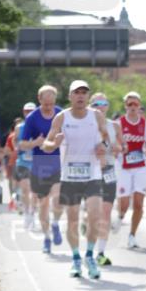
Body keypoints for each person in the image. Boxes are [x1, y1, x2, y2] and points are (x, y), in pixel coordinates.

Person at [42, 80, 108, 279]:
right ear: (70, 96)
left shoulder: (96, 116)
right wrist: (54, 144)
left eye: (83, 93)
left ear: (87, 97)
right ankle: (76, 258)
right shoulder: (61, 117)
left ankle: (89, 255)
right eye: (76, 93)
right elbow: (46, 144)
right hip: (70, 176)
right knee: (72, 219)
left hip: (92, 174)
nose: (80, 96)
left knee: (95, 216)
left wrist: (103, 146)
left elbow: (105, 136)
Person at [18, 85, 64, 252]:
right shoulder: (32, 118)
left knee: (59, 199)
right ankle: (46, 238)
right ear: (39, 100)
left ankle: (55, 223)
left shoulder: (61, 114)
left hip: (58, 162)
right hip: (39, 165)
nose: (48, 107)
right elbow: (22, 144)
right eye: (45, 104)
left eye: (51, 104)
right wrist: (35, 143)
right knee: (43, 204)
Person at [89, 92, 123, 265]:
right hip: (89, 171)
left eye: (103, 103)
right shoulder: (85, 124)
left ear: (107, 106)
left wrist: (112, 147)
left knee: (106, 211)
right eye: (95, 104)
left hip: (108, 170)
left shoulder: (114, 126)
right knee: (93, 213)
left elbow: (121, 146)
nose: (99, 106)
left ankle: (100, 252)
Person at [117, 91, 146, 249]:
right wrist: (119, 147)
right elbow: (111, 145)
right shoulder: (118, 124)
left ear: (139, 106)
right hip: (123, 167)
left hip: (140, 167)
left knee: (138, 204)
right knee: (124, 203)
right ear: (125, 106)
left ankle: (132, 235)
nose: (132, 107)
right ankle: (120, 215)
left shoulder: (145, 125)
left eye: (135, 104)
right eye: (129, 104)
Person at [12, 104, 36, 219]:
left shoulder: (39, 126)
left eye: (31, 110)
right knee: (25, 188)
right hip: (23, 162)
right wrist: (18, 147)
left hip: (36, 162)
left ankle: (32, 211)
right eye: (27, 111)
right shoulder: (19, 127)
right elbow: (14, 140)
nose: (29, 113)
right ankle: (27, 212)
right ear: (23, 112)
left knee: (34, 191)